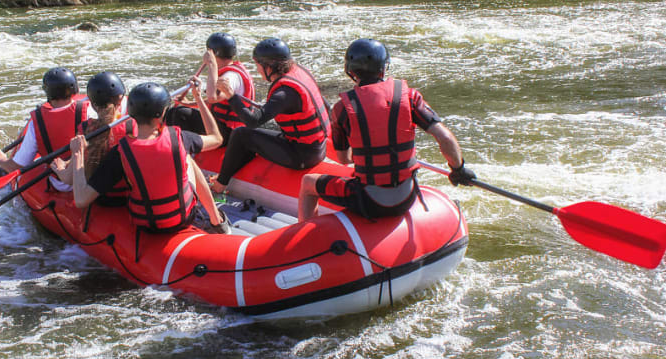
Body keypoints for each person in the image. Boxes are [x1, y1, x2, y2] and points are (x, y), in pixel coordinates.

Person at [297, 39, 476, 222]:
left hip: (368, 202)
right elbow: (444, 137)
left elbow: (344, 159)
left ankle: (303, 234)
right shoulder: (410, 97)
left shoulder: (342, 109)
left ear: (350, 71)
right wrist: (458, 168)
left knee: (308, 183)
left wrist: (367, 153)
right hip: (407, 198)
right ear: (384, 68)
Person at [70, 80, 230, 234]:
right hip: (183, 217)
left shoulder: (121, 151)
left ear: (131, 113)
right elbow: (217, 138)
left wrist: (78, 155)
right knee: (186, 156)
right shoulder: (180, 137)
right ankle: (216, 220)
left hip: (145, 224)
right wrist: (198, 98)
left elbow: (81, 200)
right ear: (162, 114)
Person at [210, 37, 329, 193]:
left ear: (269, 66)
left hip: (302, 157)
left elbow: (253, 121)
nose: (258, 70)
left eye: (258, 65)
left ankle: (220, 184)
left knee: (241, 134)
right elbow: (324, 105)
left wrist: (231, 96)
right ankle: (235, 167)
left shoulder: (284, 93)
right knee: (253, 135)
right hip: (319, 147)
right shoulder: (299, 73)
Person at [0, 67, 89, 192]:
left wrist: (1, 160)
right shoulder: (90, 110)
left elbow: (17, 168)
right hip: (88, 176)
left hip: (63, 184)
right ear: (75, 88)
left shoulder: (37, 124)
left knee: (37, 162)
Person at [52, 71, 131, 205]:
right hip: (126, 198)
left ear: (93, 105)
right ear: (121, 100)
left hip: (99, 200)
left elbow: (69, 178)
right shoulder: (132, 128)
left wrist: (58, 168)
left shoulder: (85, 130)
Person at [165, 32, 255, 145]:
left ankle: (180, 151)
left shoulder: (231, 76)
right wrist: (190, 103)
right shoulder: (230, 72)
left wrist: (212, 63)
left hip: (229, 133)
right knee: (177, 111)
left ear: (211, 52)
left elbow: (213, 97)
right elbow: (220, 99)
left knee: (178, 113)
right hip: (223, 128)